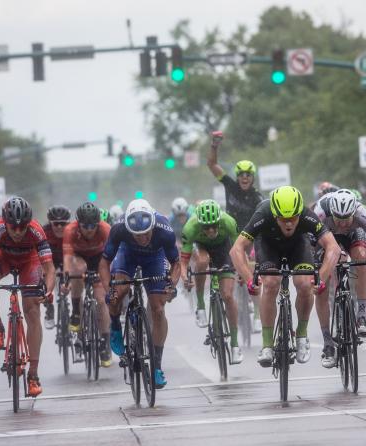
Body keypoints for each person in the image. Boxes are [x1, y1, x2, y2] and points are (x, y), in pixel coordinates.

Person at [229, 186, 341, 367]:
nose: (289, 224)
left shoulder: (306, 214)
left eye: (293, 219)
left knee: (305, 283)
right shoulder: (263, 213)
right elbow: (236, 249)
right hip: (268, 246)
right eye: (283, 219)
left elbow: (333, 247)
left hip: (298, 246)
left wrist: (321, 278)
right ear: (274, 215)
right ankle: (267, 345)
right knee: (271, 282)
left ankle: (301, 335)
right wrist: (250, 279)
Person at [0, 197, 55, 396]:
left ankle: (33, 375)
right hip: (3, 260)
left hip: (30, 263)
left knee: (32, 310)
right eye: (13, 227)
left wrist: (48, 290)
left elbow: (49, 268)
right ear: (5, 223)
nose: (18, 232)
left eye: (22, 227)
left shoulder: (36, 230)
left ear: (28, 223)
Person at [99, 199, 181, 388]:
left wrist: (172, 284)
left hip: (155, 257)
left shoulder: (164, 229)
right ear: (129, 228)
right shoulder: (119, 228)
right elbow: (104, 263)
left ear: (153, 225)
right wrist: (108, 289)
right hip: (127, 254)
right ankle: (115, 327)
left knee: (158, 308)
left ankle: (157, 366)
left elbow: (176, 263)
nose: (143, 238)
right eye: (137, 235)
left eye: (146, 234)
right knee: (119, 291)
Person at [313, 189, 366, 368]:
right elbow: (308, 246)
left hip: (353, 236)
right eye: (338, 219)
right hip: (326, 237)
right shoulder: (320, 213)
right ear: (332, 213)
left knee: (362, 258)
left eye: (347, 218)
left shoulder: (360, 212)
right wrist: (316, 274)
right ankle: (327, 343)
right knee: (321, 284)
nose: (342, 223)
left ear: (353, 212)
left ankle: (361, 314)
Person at [207, 130, 263, 331]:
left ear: (253, 177)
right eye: (241, 175)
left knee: (253, 272)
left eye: (248, 175)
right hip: (232, 235)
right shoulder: (230, 186)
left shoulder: (258, 198)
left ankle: (256, 314)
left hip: (251, 237)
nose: (244, 178)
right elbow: (212, 166)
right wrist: (214, 145)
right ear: (237, 177)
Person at [180, 199, 243, 364]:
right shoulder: (190, 227)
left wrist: (243, 271)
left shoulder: (229, 222)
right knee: (202, 261)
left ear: (219, 221)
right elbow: (184, 261)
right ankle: (200, 304)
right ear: (199, 224)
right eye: (206, 227)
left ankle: (235, 344)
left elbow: (239, 249)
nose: (211, 230)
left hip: (224, 249)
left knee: (228, 296)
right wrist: (184, 276)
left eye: (214, 225)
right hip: (201, 247)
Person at [61, 202, 112, 367]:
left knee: (102, 300)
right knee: (78, 269)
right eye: (85, 226)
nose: (89, 229)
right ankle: (76, 310)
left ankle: (105, 342)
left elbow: (113, 257)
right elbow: (68, 258)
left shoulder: (105, 229)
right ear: (78, 224)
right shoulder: (70, 230)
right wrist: (67, 278)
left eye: (93, 225)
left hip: (99, 259)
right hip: (79, 257)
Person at [42, 205, 72, 329]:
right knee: (43, 279)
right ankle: (49, 309)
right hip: (50, 260)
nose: (59, 227)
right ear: (50, 223)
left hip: (67, 259)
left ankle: (73, 310)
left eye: (62, 223)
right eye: (56, 224)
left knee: (71, 281)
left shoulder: (72, 231)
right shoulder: (44, 232)